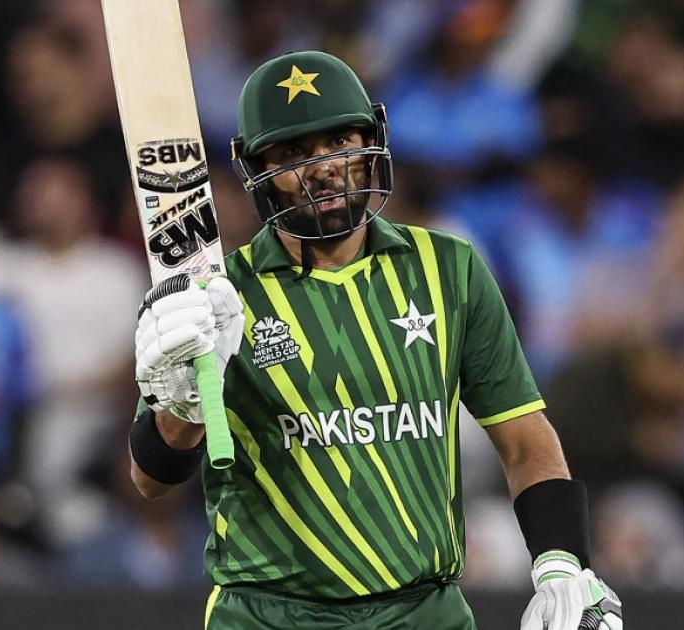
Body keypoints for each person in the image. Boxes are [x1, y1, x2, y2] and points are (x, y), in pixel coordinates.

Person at [128, 50, 623, 630]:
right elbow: (150, 480)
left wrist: (561, 563)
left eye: (340, 141)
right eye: (294, 153)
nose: (323, 168)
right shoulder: (215, 296)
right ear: (257, 168)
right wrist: (186, 402)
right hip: (269, 616)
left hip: (425, 612)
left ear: (372, 143)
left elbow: (523, 437)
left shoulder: (449, 268)